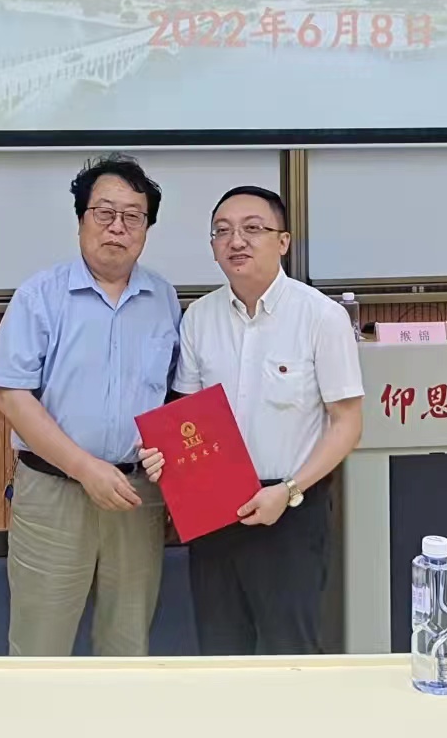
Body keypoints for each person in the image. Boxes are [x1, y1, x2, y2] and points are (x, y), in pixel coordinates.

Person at [141, 185, 363, 656]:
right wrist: (165, 459)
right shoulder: (199, 318)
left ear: (283, 241)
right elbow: (186, 418)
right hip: (214, 508)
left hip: (291, 506)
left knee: (291, 649)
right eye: (222, 231)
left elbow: (347, 423)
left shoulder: (321, 317)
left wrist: (289, 490)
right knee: (221, 649)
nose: (236, 240)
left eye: (252, 229)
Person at [0, 153, 180, 657]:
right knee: (40, 644)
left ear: (146, 229)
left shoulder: (164, 299)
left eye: (132, 216)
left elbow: (174, 400)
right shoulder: (40, 296)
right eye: (104, 213)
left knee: (127, 643)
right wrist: (85, 467)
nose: (117, 227)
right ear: (80, 221)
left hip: (136, 495)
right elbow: (11, 396)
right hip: (55, 492)